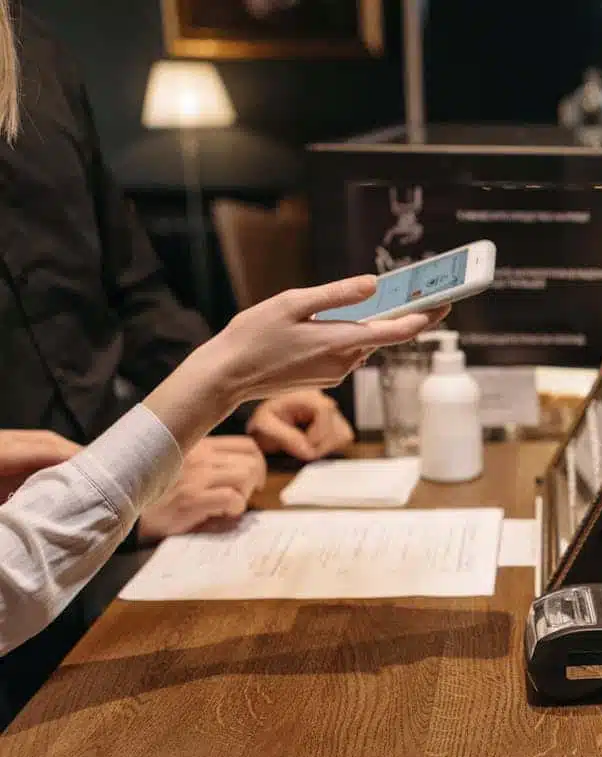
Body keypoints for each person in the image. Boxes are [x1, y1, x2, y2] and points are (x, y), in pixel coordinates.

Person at [0, 7, 364, 715]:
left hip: (125, 543)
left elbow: (135, 289)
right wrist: (130, 499)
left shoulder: (40, 53)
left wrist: (255, 400)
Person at [0, 274, 446, 659]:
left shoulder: (72, 171)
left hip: (105, 500)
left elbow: (142, 307)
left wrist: (247, 405)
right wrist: (221, 384)